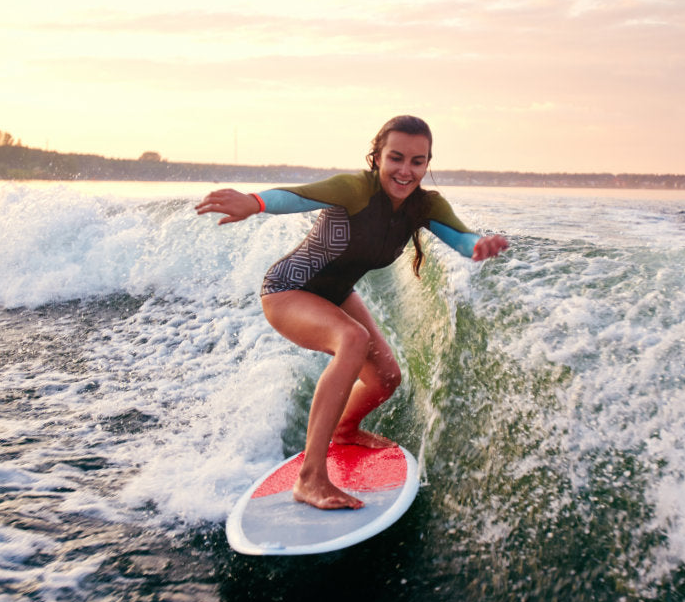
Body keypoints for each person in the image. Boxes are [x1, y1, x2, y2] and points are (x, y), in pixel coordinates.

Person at [196, 115, 509, 510]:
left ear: (428, 163)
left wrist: (478, 246)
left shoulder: (425, 206)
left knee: (385, 378)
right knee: (352, 338)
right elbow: (296, 196)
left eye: (418, 161)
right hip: (288, 290)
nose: (406, 170)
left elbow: (461, 238)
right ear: (376, 156)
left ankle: (345, 429)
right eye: (396, 158)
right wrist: (254, 203)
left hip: (337, 293)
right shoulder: (354, 188)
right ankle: (310, 478)